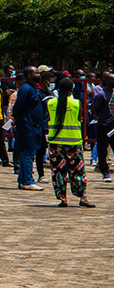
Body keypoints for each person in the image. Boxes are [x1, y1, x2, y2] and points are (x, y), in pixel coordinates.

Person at [45, 77, 94, 207]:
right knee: (78, 171)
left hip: (55, 142)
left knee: (58, 171)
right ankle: (82, 196)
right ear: (71, 90)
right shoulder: (76, 104)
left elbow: (50, 119)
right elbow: (80, 119)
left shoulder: (50, 103)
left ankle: (63, 199)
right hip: (74, 142)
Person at [13, 67, 45, 191]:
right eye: (35, 72)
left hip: (34, 126)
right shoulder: (26, 89)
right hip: (27, 126)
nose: (38, 74)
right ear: (29, 75)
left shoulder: (33, 89)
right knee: (28, 154)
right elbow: (17, 107)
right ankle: (27, 180)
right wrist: (17, 120)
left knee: (27, 153)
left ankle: (22, 180)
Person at [92, 72, 114, 183]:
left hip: (113, 127)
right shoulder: (101, 94)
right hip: (103, 126)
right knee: (102, 149)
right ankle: (104, 171)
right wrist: (100, 120)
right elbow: (94, 109)